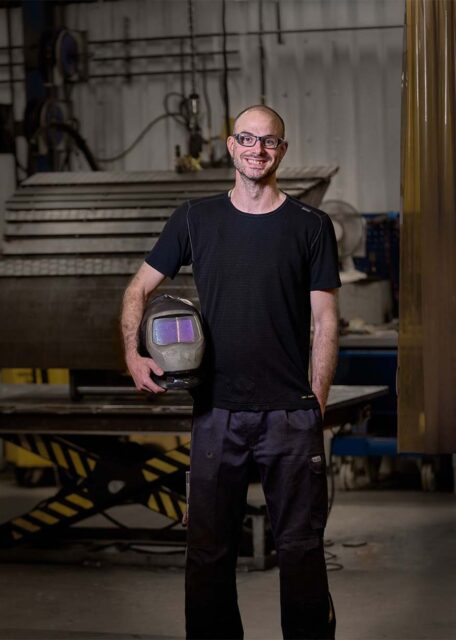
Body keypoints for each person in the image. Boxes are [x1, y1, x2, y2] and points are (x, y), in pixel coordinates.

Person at [121, 104, 341, 640]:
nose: (256, 150)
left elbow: (326, 321)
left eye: (268, 142)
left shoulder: (311, 226)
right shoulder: (195, 218)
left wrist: (315, 404)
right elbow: (137, 290)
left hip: (289, 416)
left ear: (282, 151)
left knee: (301, 550)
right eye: (247, 139)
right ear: (229, 145)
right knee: (209, 552)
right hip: (216, 412)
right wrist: (133, 353)